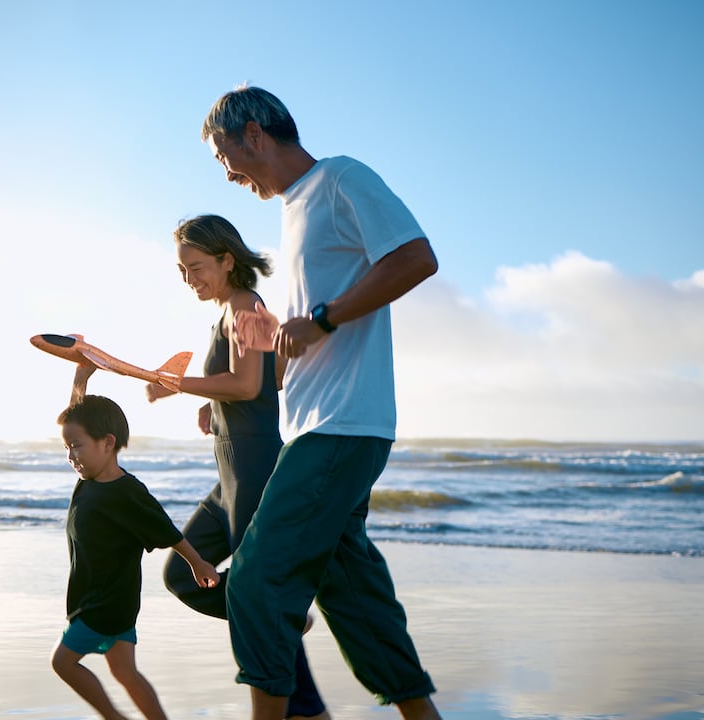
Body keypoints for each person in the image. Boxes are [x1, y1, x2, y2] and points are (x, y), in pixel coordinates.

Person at [201, 85, 443, 720]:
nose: (227, 174)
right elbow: (310, 326)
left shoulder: (340, 178)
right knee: (352, 594)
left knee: (255, 580)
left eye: (225, 156)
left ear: (255, 134)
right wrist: (277, 340)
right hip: (312, 422)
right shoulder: (292, 211)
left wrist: (322, 319)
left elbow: (417, 258)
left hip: (342, 426)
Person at [143, 213, 329, 720]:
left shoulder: (244, 304)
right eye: (183, 271)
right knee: (183, 574)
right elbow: (269, 377)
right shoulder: (232, 310)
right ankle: (282, 624)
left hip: (254, 469)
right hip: (230, 477)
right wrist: (212, 404)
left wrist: (180, 385)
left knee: (258, 594)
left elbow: (247, 386)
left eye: (197, 267)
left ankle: (304, 701)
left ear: (228, 258)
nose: (190, 280)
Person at [51, 363, 221, 720]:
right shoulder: (91, 478)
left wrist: (198, 562)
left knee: (63, 663)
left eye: (76, 447)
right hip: (111, 597)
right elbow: (77, 419)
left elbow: (166, 528)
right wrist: (81, 380)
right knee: (124, 670)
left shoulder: (125, 492)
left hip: (105, 602)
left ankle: (115, 718)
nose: (71, 456)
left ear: (107, 443)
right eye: (68, 447)